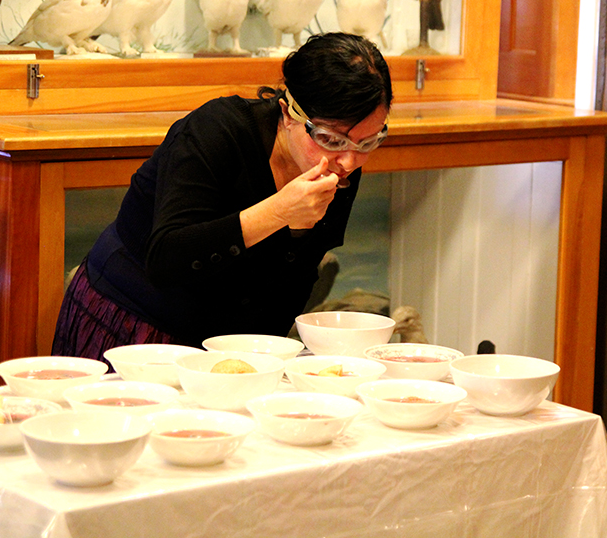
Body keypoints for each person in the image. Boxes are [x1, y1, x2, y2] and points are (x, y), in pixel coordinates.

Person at [52, 32, 393, 361]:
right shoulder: (216, 130)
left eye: (369, 142)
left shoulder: (341, 163)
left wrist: (264, 360)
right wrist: (279, 212)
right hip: (134, 321)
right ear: (290, 113)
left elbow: (295, 280)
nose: (349, 159)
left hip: (231, 342)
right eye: (331, 139)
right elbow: (167, 258)